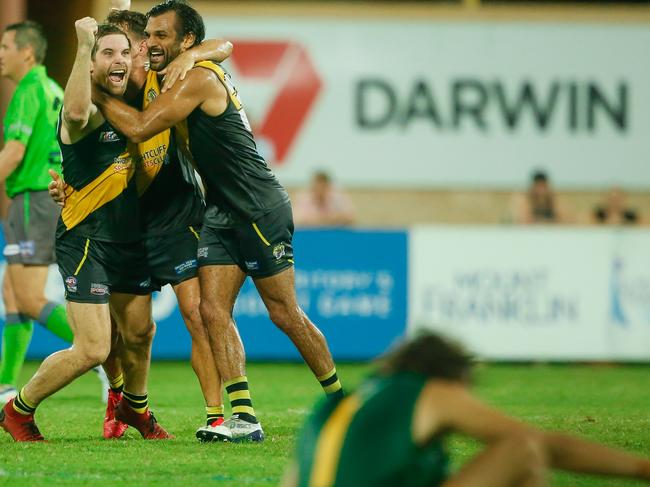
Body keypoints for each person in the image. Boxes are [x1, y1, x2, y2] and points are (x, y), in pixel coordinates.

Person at [92, 0, 343, 443]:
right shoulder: (180, 68)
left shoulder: (199, 78)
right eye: (147, 36)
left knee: (284, 313)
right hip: (221, 211)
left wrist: (96, 91)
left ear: (186, 41)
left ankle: (342, 403)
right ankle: (243, 416)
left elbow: (140, 127)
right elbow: (219, 44)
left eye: (161, 36)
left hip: (257, 205)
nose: (150, 44)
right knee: (211, 312)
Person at [54, 5, 234, 439]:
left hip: (177, 217)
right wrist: (67, 186)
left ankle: (216, 415)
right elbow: (72, 136)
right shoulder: (98, 91)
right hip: (121, 229)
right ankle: (119, 401)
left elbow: (223, 47)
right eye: (119, 51)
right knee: (120, 331)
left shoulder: (164, 76)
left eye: (132, 50)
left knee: (197, 312)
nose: (129, 59)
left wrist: (191, 57)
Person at [0, 19, 170, 442]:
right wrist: (82, 44)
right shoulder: (85, 106)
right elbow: (75, 113)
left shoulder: (133, 100)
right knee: (94, 347)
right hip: (86, 240)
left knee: (140, 333)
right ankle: (17, 408)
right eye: (107, 54)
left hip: (130, 240)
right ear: (91, 65)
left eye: (123, 53)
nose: (118, 60)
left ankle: (135, 409)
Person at [285, 332, 650, 487]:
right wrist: (642, 468)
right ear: (450, 375)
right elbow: (541, 444)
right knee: (522, 451)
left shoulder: (337, 407)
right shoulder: (426, 390)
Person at [0, 20, 107, 405]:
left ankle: (97, 356)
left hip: (32, 199)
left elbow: (13, 154)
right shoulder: (51, 88)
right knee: (12, 293)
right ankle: (5, 385)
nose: (0, 53)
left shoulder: (28, 91)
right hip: (43, 200)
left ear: (27, 52)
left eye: (5, 46)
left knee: (27, 298)